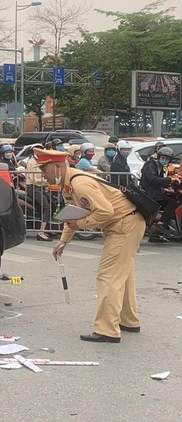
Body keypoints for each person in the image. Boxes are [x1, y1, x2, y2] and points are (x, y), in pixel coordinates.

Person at [37, 148, 146, 343]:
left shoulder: (79, 184)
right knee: (123, 274)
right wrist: (64, 241)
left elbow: (105, 212)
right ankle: (128, 320)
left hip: (124, 224)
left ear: (57, 167)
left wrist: (80, 225)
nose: (42, 175)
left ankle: (107, 330)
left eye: (44, 170)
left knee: (109, 276)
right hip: (126, 223)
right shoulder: (68, 184)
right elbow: (73, 214)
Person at [140, 146, 179, 242]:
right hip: (150, 193)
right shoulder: (150, 165)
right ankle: (161, 224)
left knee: (172, 197)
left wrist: (169, 184)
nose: (165, 160)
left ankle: (155, 235)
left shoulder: (159, 167)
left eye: (167, 159)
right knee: (172, 203)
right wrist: (170, 179)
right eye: (163, 158)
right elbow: (154, 180)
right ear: (159, 157)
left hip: (155, 191)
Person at [25, 144, 53, 241]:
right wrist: (46, 181)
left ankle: (46, 229)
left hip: (41, 187)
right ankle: (41, 232)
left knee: (52, 205)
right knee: (47, 208)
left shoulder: (42, 161)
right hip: (33, 188)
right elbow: (35, 180)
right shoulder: (31, 163)